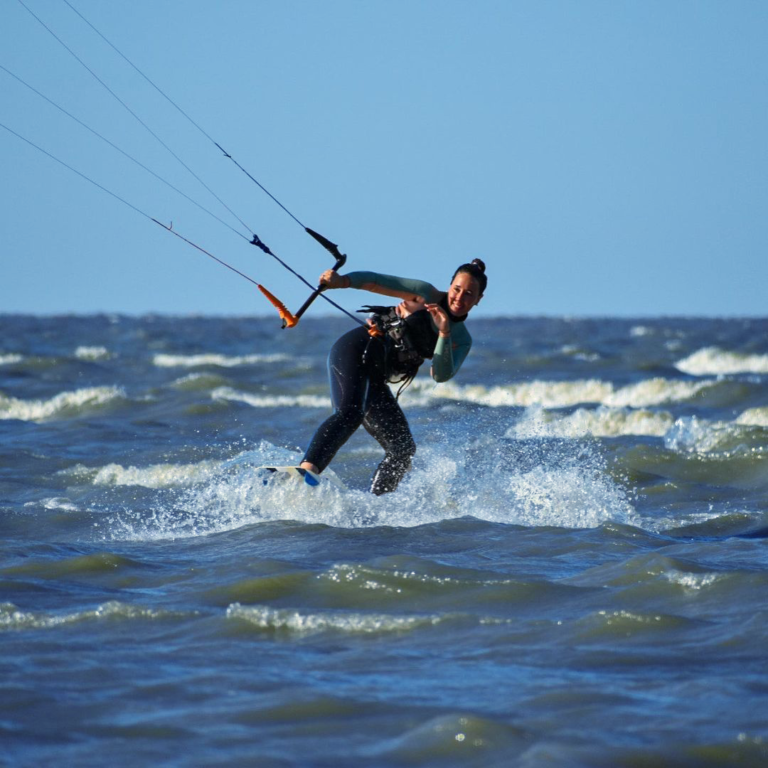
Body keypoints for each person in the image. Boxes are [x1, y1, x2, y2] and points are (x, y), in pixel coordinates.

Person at [299, 259, 488, 494]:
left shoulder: (461, 338)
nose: (460, 298)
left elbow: (440, 374)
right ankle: (305, 471)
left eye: (469, 294)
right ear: (450, 285)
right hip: (356, 349)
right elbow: (377, 282)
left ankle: (377, 504)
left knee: (402, 448)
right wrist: (342, 281)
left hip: (375, 377)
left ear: (478, 299)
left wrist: (444, 332)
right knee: (351, 412)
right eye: (457, 289)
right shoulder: (424, 294)